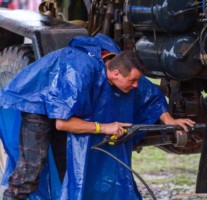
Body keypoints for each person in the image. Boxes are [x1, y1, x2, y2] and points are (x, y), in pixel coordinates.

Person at [0, 34, 195, 200]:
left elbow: (149, 95)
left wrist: (170, 121)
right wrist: (104, 127)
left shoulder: (121, 66)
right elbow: (62, 122)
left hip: (68, 105)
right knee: (31, 167)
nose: (135, 85)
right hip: (40, 103)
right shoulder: (79, 70)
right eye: (132, 81)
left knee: (68, 166)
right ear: (116, 74)